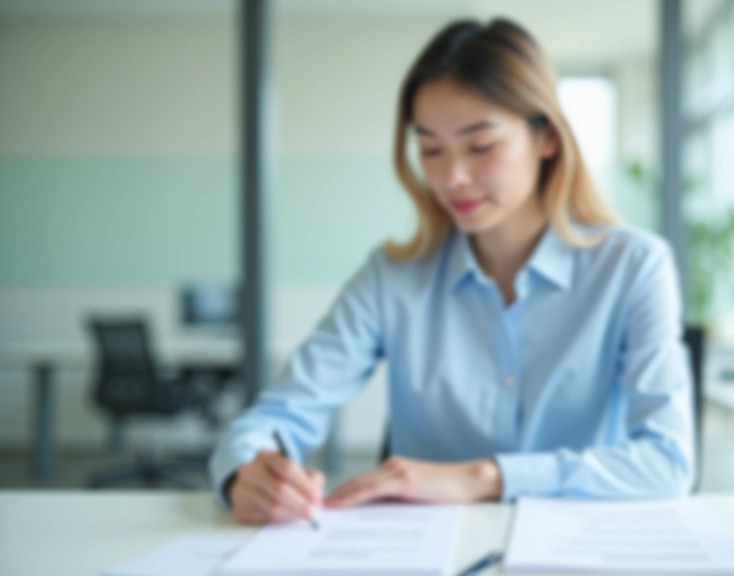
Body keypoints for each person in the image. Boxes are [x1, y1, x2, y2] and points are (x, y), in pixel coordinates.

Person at [210, 18, 695, 526]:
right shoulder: (391, 277)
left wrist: (482, 477)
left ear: (547, 138)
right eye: (431, 150)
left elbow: (668, 462)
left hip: (576, 548)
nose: (452, 178)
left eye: (481, 146)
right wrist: (249, 473)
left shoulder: (634, 267)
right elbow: (276, 416)